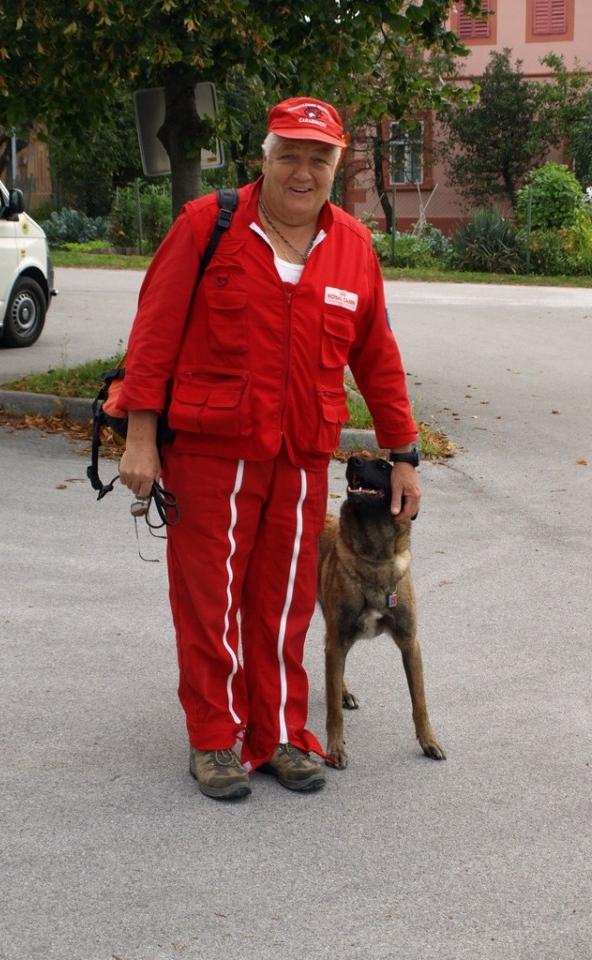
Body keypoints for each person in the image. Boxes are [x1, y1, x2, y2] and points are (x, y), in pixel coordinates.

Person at [117, 96, 421, 801]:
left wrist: (403, 452)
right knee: (209, 601)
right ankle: (216, 738)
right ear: (265, 157)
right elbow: (153, 336)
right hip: (210, 452)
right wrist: (139, 436)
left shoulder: (351, 245)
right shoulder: (209, 226)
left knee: (284, 602)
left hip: (300, 457)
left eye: (319, 157)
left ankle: (281, 731)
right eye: (290, 153)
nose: (303, 170)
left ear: (336, 165)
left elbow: (377, 356)